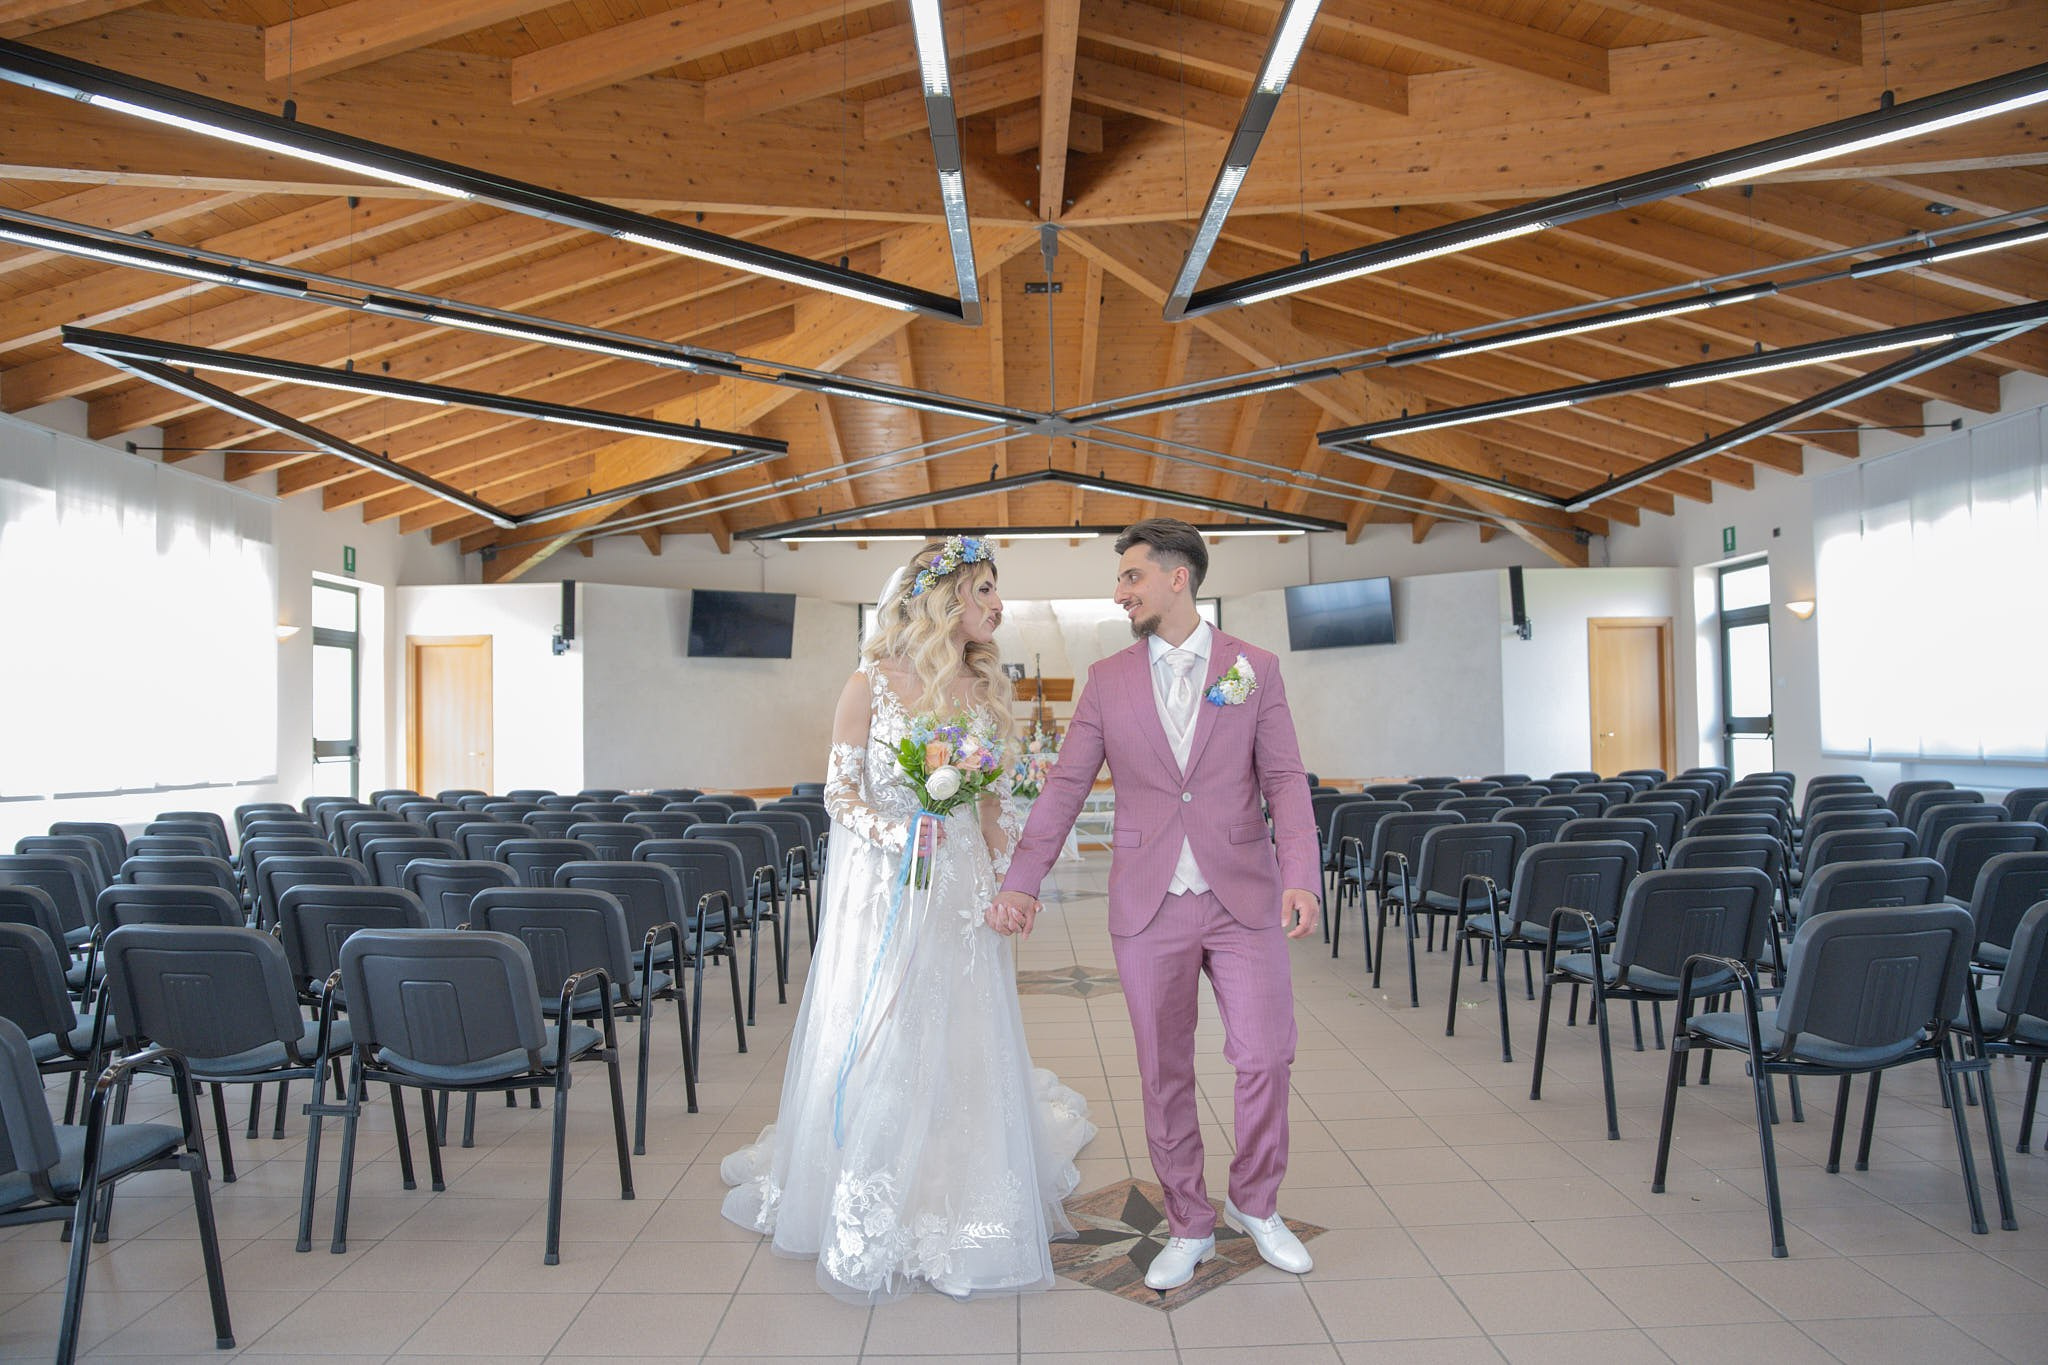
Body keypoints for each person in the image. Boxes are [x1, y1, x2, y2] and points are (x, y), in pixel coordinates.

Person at [721, 536, 1096, 1303]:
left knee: (963, 1026)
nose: (998, 604)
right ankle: (876, 1184)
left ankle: (965, 1189)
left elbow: (990, 805)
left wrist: (1007, 880)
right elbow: (838, 794)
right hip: (889, 886)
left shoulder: (988, 687)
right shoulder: (869, 683)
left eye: (997, 590)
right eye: (985, 588)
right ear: (943, 596)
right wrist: (900, 833)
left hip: (960, 888)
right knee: (892, 1025)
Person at [989, 518, 1320, 1292]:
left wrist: (1299, 872)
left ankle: (1256, 1202)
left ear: (1178, 578)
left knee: (1266, 1054)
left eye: (1131, 576)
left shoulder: (1254, 669)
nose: (1119, 591)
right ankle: (1188, 1221)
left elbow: (1286, 779)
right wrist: (1022, 878)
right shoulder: (1108, 681)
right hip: (1149, 901)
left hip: (1243, 895)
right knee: (1163, 1070)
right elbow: (1068, 784)